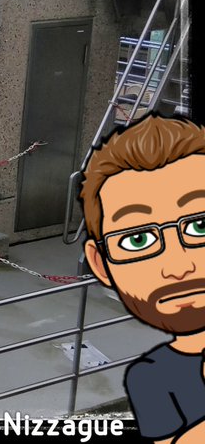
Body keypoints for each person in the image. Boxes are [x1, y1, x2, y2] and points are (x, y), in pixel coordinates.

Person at [79, 114, 205, 443]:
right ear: (101, 264)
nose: (178, 267)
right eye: (138, 240)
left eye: (199, 226)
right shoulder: (151, 376)